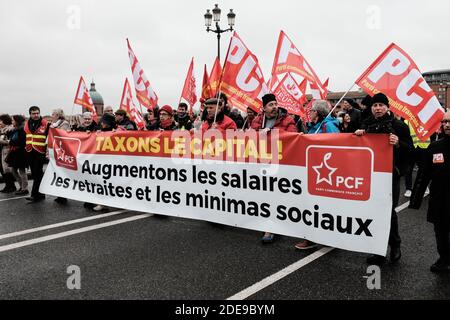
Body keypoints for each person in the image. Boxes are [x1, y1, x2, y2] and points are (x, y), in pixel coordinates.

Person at [355, 92, 414, 265]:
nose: (378, 108)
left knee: (388, 213)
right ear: (371, 108)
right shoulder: (366, 124)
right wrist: (357, 136)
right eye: (375, 105)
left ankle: (395, 245)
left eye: (381, 105)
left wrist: (398, 144)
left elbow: (411, 151)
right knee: (373, 213)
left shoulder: (399, 126)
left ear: (387, 107)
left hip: (390, 176)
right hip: (370, 176)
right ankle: (378, 250)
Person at [250, 94, 297, 243]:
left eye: (275, 104)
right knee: (265, 195)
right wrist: (259, 133)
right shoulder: (257, 120)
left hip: (281, 162)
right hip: (262, 162)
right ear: (264, 108)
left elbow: (292, 136)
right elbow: (251, 135)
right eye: (270, 105)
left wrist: (271, 133)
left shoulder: (287, 119)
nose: (274, 107)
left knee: (275, 196)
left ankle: (270, 228)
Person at [409, 110, 450, 273]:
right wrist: (415, 200)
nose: (446, 125)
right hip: (439, 200)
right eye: (444, 122)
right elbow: (423, 175)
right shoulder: (434, 147)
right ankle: (444, 259)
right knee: (440, 232)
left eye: (449, 122)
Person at [24, 106, 49, 203]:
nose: (36, 115)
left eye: (37, 113)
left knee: (37, 173)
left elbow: (49, 138)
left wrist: (47, 151)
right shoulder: (27, 124)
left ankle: (34, 195)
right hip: (30, 152)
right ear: (30, 114)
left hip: (40, 152)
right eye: (34, 113)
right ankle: (41, 194)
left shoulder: (45, 123)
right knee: (35, 174)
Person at [403, 120, 430, 197]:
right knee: (408, 169)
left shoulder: (425, 119)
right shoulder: (406, 121)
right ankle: (408, 189)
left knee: (423, 169)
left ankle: (424, 186)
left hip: (423, 147)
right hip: (410, 148)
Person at [50, 109, 70, 203]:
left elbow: (62, 135)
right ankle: (60, 195)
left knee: (62, 173)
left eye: (53, 114)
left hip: (63, 151)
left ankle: (63, 195)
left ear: (58, 115)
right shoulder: (53, 124)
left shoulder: (64, 124)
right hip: (55, 150)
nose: (51, 116)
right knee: (57, 173)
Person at [7, 115, 28, 195]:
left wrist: (10, 142)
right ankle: (21, 186)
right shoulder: (15, 129)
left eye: (13, 120)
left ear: (17, 121)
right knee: (13, 170)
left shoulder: (22, 130)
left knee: (22, 171)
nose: (12, 122)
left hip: (21, 153)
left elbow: (22, 143)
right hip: (15, 153)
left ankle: (24, 188)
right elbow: (11, 138)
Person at [0, 114, 17, 193]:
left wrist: (1, 141)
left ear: (5, 121)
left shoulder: (9, 130)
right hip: (3, 151)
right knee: (3, 169)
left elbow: (10, 141)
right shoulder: (3, 130)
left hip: (7, 151)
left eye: (1, 121)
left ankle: (11, 186)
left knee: (7, 170)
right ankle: (8, 185)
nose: (0, 123)